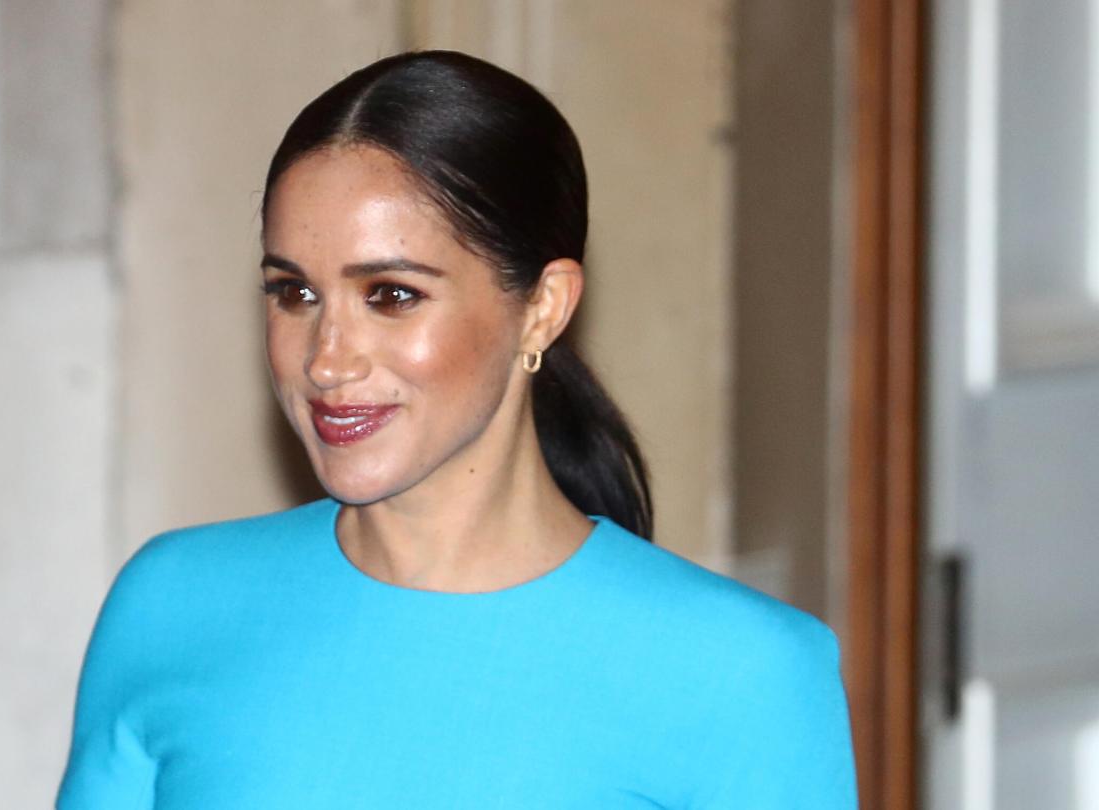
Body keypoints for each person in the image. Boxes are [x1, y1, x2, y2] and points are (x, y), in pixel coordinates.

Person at [56, 50, 857, 809]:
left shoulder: (745, 674)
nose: (327, 361)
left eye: (391, 295)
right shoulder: (173, 604)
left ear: (542, 307)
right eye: (295, 295)